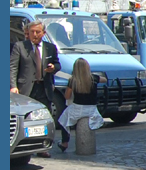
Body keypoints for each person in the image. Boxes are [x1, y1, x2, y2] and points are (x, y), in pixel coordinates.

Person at [10, 19, 63, 157]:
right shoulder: (20, 46)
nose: (34, 34)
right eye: (32, 32)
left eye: (37, 32)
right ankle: (21, 145)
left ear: (43, 33)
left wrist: (53, 68)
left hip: (44, 88)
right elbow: (13, 68)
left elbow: (57, 64)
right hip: (26, 89)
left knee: (42, 118)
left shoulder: (50, 48)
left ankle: (42, 147)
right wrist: (13, 87)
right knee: (25, 119)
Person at [56, 58, 105, 152]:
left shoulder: (72, 80)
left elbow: (67, 96)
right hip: (92, 109)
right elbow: (105, 79)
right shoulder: (94, 78)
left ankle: (64, 142)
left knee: (63, 120)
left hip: (78, 108)